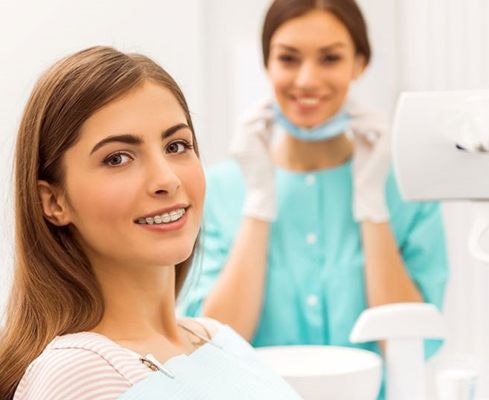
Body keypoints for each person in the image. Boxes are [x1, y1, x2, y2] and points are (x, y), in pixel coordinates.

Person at [0, 46, 301, 400]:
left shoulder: (218, 339)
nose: (167, 179)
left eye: (176, 146)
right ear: (54, 201)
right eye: (117, 158)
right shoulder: (78, 375)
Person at [180, 0, 448, 364]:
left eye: (330, 59)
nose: (307, 80)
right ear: (267, 64)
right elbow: (212, 351)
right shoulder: (218, 190)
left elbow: (413, 347)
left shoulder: (406, 190)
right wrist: (258, 202)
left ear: (360, 63)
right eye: (288, 59)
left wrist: (373, 205)